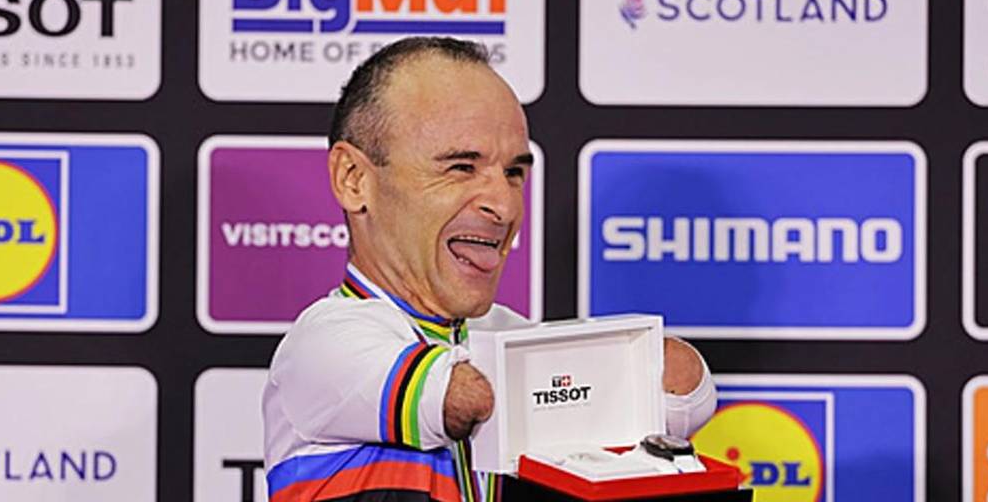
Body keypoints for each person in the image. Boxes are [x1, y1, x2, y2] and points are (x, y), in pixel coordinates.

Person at [262, 36, 717, 502]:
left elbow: (682, 397)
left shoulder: (506, 336)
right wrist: (600, 382)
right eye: (461, 167)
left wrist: (642, 379)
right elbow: (458, 398)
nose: (505, 205)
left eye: (514, 173)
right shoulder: (321, 344)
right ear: (354, 179)